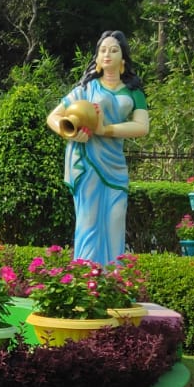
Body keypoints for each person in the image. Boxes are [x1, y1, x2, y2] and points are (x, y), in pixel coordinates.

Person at [46, 31, 150, 267]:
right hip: (87, 160)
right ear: (97, 58)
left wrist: (105, 129)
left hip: (115, 164)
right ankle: (85, 275)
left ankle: (113, 278)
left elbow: (142, 127)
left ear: (123, 58)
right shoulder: (86, 89)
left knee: (116, 219)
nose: (107, 54)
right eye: (102, 50)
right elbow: (53, 117)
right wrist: (70, 133)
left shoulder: (133, 92)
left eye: (113, 50)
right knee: (88, 219)